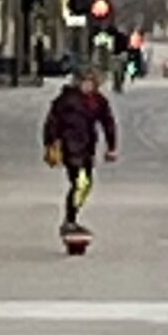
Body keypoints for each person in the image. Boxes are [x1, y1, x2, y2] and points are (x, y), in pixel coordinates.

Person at [43, 67, 118, 237]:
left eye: (91, 83)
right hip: (69, 146)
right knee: (80, 182)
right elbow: (52, 121)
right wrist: (50, 144)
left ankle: (72, 218)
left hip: (87, 147)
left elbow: (108, 123)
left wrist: (111, 146)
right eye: (85, 82)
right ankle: (70, 220)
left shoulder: (98, 101)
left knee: (86, 184)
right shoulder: (67, 99)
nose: (88, 86)